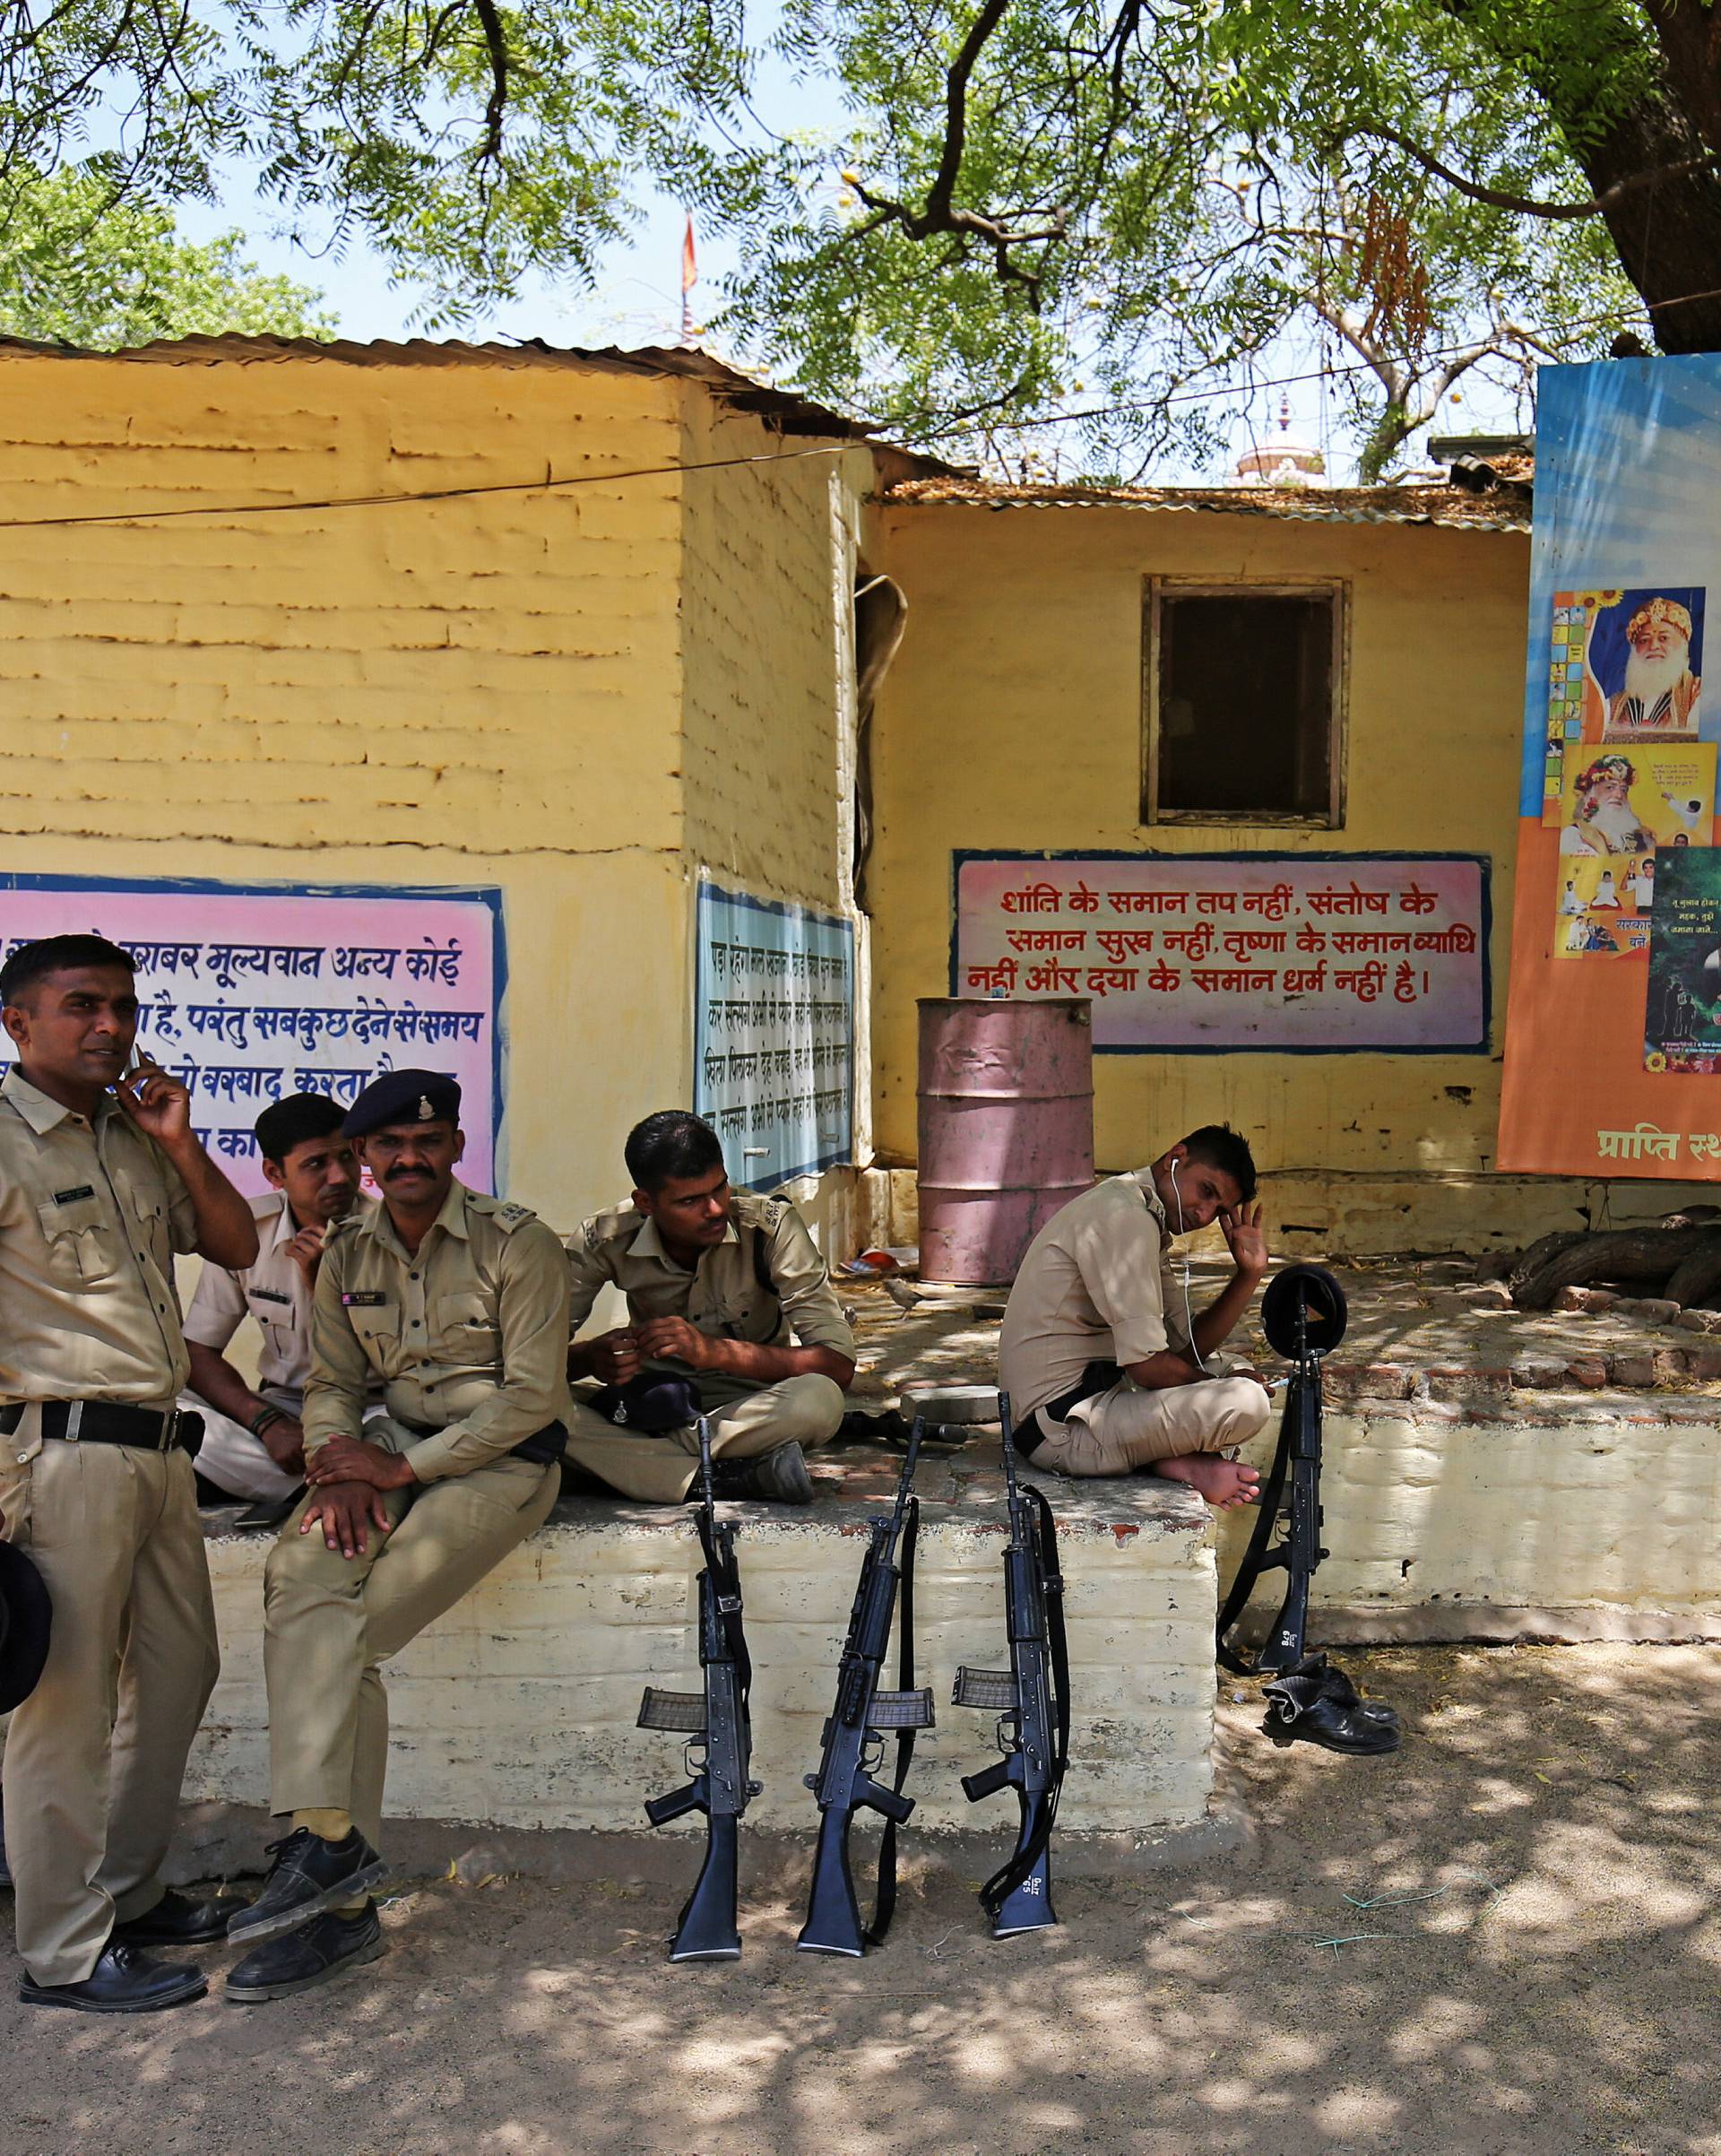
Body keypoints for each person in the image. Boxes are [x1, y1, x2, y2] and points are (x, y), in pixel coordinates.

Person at [226, 1069, 568, 2003]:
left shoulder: (519, 1241)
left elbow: (535, 1394)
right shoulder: (343, 1253)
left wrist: (403, 1471)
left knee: (359, 1627)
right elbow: (333, 1381)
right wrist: (336, 1458)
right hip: (383, 1451)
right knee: (301, 1573)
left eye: (428, 1140)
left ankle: (331, 1883)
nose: (409, 1156)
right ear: (368, 1159)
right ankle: (332, 1858)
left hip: (500, 1462)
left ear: (456, 1145)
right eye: (389, 1144)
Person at [0, 934, 259, 2013]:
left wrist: (182, 1144)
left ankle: (129, 1890)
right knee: (62, 1708)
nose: (109, 1024)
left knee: (178, 1672)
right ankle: (62, 1949)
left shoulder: (135, 1132)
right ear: (20, 1023)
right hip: (54, 1456)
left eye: (121, 1004)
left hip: (158, 1449)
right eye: (80, 1006)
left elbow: (237, 1244)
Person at [563, 1111, 856, 1504]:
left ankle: (646, 1461)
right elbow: (527, 1357)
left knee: (820, 1399)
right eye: (690, 1201)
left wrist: (712, 1352)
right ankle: (719, 1474)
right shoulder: (605, 1238)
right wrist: (589, 1358)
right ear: (645, 1202)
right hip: (647, 1404)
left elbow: (837, 1365)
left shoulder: (770, 1228)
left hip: (749, 1409)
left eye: (720, 1189)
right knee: (522, 1402)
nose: (716, 1209)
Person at [998, 1125, 1273, 1506]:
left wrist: (1248, 1275)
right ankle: (1179, 1463)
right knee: (1247, 1402)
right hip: (1059, 1431)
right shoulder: (1124, 1216)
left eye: (1220, 1210)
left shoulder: (1141, 1211)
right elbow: (1148, 1367)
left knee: (1234, 1368)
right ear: (1176, 1158)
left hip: (1094, 1401)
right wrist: (1210, 1388)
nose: (1204, 1214)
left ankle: (1177, 1458)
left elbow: (1185, 1349)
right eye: (1206, 1192)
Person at [180, 1093, 372, 1511]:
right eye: (317, 1164)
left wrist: (325, 1287)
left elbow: (402, 1363)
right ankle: (325, 1484)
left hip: (368, 1411)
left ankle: (308, 1483)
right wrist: (264, 1422)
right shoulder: (246, 1233)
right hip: (285, 1408)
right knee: (169, 1409)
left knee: (398, 1437)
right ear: (274, 1173)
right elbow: (197, 1351)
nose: (339, 1176)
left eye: (347, 1157)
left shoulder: (392, 1232)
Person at [1605, 597, 1702, 738]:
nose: (1653, 646)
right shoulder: (1613, 705)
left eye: (1664, 638)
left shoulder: (1697, 693)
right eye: (1644, 640)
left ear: (1683, 645)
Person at [1560, 754, 1655, 857]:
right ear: (1590, 793)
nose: (1619, 795)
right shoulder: (1574, 835)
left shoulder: (1643, 837)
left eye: (1624, 790)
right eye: (1609, 787)